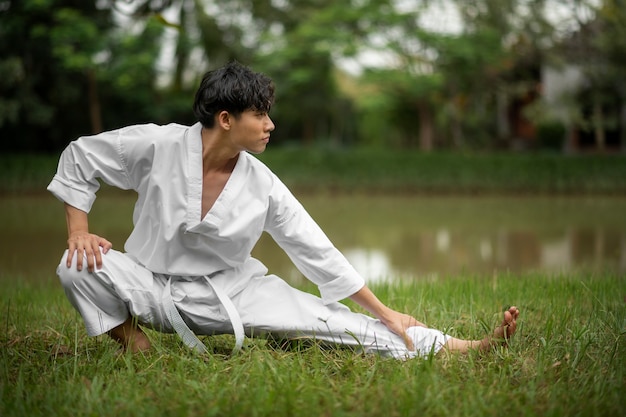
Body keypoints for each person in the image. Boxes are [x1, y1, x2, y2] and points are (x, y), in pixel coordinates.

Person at [48, 61, 519, 359]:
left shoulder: (262, 183)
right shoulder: (157, 145)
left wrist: (384, 310)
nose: (270, 125)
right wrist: (78, 230)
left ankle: (468, 347)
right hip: (151, 285)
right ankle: (137, 346)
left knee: (342, 326)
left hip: (233, 295)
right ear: (227, 119)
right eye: (261, 115)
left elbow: (315, 249)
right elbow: (82, 156)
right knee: (77, 266)